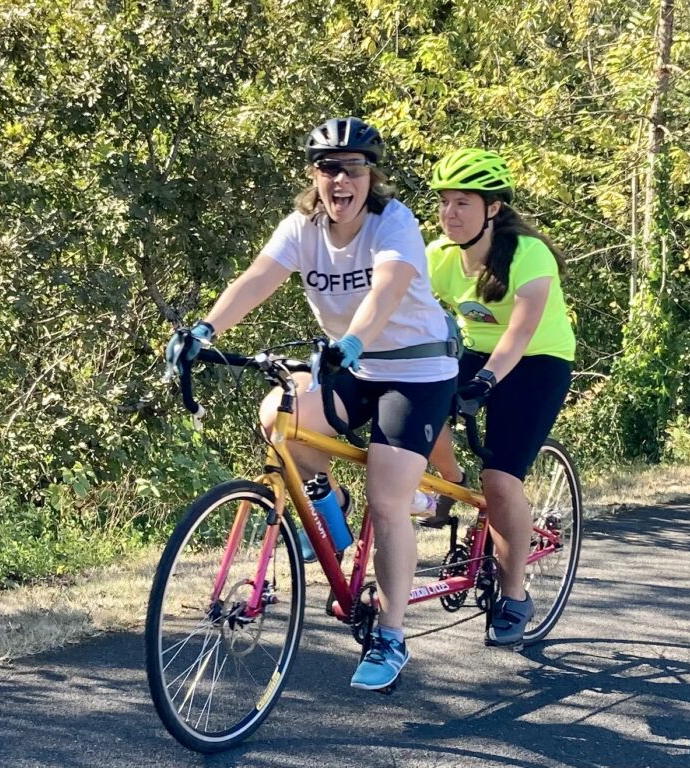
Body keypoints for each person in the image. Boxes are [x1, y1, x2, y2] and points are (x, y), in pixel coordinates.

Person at [169, 117, 458, 690]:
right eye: (329, 168)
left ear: (370, 175)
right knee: (279, 414)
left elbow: (388, 288)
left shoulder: (392, 223)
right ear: (314, 175)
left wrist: (351, 340)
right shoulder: (302, 228)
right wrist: (203, 330)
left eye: (353, 168)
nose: (340, 180)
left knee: (388, 494)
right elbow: (258, 278)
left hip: (417, 370)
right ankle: (330, 510)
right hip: (354, 366)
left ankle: (391, 636)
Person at [423, 148, 575, 648]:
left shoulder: (528, 253)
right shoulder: (438, 258)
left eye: (463, 203)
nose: (450, 214)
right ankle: (453, 485)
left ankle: (514, 596)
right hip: (475, 352)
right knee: (415, 411)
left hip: (538, 359)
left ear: (492, 209)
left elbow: (523, 329)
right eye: (445, 203)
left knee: (502, 479)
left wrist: (486, 381)